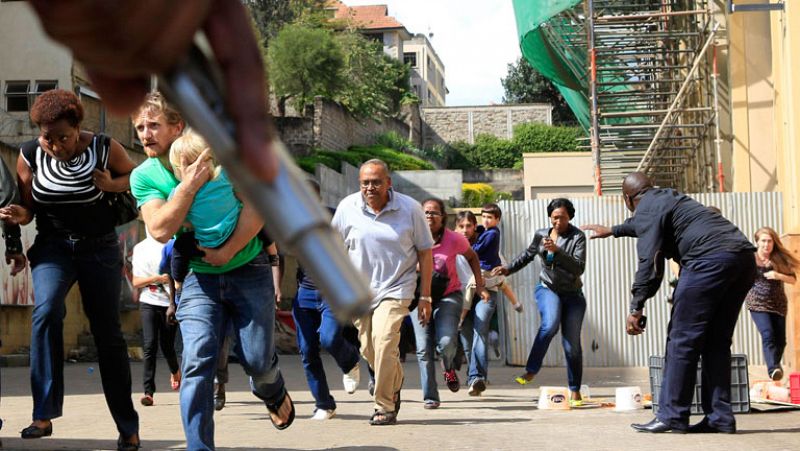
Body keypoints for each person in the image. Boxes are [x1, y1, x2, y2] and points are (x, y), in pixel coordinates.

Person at [130, 93, 293, 449]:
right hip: (199, 280)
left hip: (248, 266)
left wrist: (227, 251)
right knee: (197, 361)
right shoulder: (144, 175)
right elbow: (159, 228)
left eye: (154, 125)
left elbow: (258, 203)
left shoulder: (223, 151)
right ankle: (199, 446)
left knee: (256, 360)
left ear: (178, 126)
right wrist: (187, 186)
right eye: (139, 126)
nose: (145, 134)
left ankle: (271, 388)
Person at [0, 89, 140, 450]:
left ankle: (127, 426)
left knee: (108, 334)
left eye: (63, 137)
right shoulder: (29, 155)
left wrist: (112, 183)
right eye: (48, 137)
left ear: (79, 128)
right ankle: (43, 414)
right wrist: (20, 218)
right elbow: (27, 206)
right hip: (53, 248)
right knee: (45, 313)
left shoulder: (106, 148)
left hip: (100, 249)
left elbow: (139, 179)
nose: (56, 146)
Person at [583, 172, 756, 434]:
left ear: (627, 198)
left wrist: (636, 305)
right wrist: (615, 230)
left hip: (707, 261)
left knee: (682, 339)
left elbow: (650, 262)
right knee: (716, 342)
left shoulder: (648, 208)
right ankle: (720, 418)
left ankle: (673, 415)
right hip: (743, 260)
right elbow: (644, 226)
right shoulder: (668, 198)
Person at [331, 159, 433, 426]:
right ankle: (394, 383)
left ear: (389, 182)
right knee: (369, 348)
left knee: (385, 340)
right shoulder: (346, 208)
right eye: (365, 182)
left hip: (397, 287)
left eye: (376, 182)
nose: (370, 187)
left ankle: (384, 405)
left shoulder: (410, 209)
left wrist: (425, 296)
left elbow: (425, 252)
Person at [493, 198, 587, 405]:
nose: (558, 222)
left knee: (572, 346)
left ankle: (575, 389)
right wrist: (508, 268)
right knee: (550, 324)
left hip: (573, 295)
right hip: (548, 288)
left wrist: (558, 251)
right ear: (550, 217)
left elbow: (579, 268)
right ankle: (531, 370)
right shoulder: (541, 234)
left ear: (570, 216)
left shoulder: (578, 237)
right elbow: (528, 255)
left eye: (562, 218)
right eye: (554, 218)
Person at [287, 182, 362, 420]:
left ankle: (350, 361)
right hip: (305, 293)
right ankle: (324, 403)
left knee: (329, 338)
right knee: (307, 350)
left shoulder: (335, 218)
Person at [414, 198, 489, 409]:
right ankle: (430, 396)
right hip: (418, 298)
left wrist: (480, 285)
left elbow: (473, 258)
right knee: (423, 349)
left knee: (446, 343)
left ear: (443, 217)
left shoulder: (454, 239)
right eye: (425, 213)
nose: (429, 216)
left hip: (448, 296)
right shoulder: (411, 238)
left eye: (434, 213)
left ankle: (448, 366)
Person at [131, 234, 181, 407]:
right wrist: (157, 279)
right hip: (148, 303)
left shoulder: (173, 245)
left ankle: (175, 371)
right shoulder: (140, 248)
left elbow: (180, 277)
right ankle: (148, 392)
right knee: (150, 345)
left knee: (167, 346)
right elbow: (136, 282)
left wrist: (175, 295)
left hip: (169, 303)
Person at [745, 227, 798, 381]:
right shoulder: (750, 258)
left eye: (769, 241)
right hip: (757, 303)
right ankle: (773, 368)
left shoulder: (778, 259)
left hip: (778, 304)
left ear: (774, 243)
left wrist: (777, 275)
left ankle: (775, 365)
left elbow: (793, 280)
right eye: (763, 241)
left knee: (781, 340)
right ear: (757, 242)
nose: (766, 245)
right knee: (767, 334)